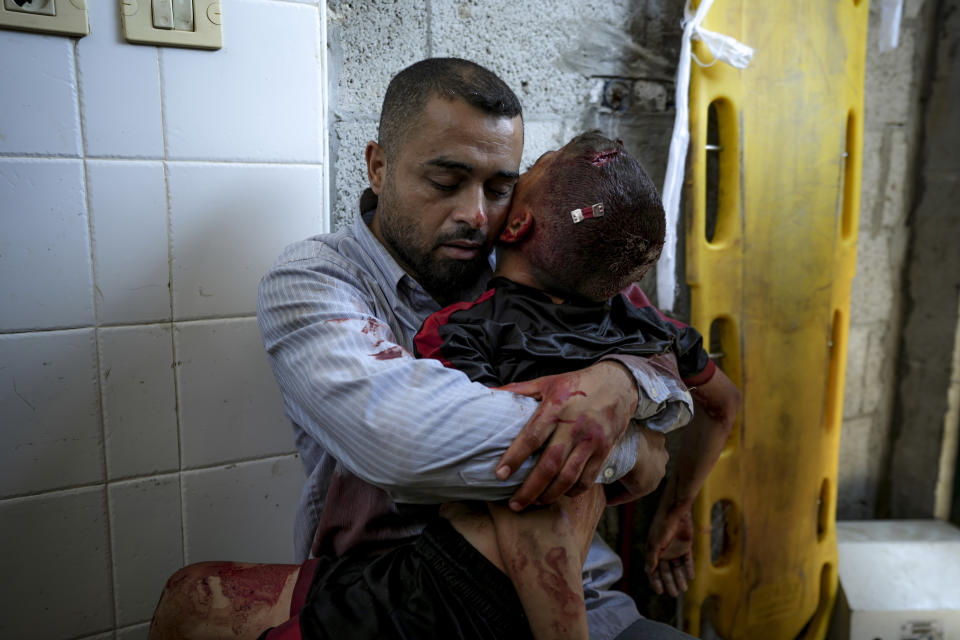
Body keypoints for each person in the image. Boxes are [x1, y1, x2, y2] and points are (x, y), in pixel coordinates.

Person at [149, 58, 739, 640]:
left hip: (585, 597)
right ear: (378, 167)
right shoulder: (316, 281)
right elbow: (403, 444)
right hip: (395, 592)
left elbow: (660, 349)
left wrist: (622, 380)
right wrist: (630, 446)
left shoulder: (543, 257)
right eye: (446, 181)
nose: (476, 215)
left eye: (500, 187)